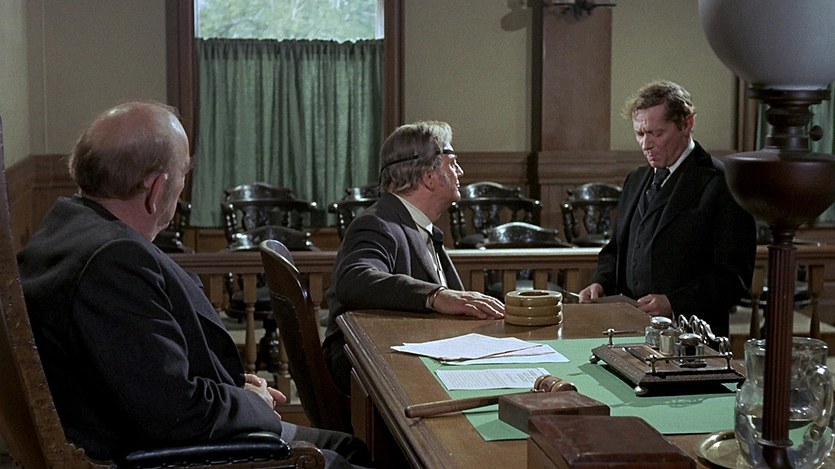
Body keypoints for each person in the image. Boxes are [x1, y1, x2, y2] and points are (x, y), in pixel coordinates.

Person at [16, 102, 372, 468]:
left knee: (351, 446)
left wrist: (232, 389)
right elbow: (172, 413)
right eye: (183, 174)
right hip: (167, 455)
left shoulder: (67, 227)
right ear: (157, 189)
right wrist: (251, 403)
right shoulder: (112, 260)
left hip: (172, 429)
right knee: (345, 459)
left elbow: (143, 372)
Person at [323, 121, 506, 394]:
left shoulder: (417, 225)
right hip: (374, 378)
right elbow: (354, 279)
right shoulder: (378, 223)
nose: (460, 172)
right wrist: (435, 295)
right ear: (428, 176)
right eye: (452, 163)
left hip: (409, 365)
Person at [578, 81, 757, 337]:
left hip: (691, 338)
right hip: (627, 331)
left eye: (656, 133)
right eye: (640, 134)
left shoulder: (724, 183)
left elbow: (733, 278)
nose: (646, 144)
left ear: (687, 124)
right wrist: (600, 283)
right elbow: (615, 249)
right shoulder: (635, 180)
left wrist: (674, 303)